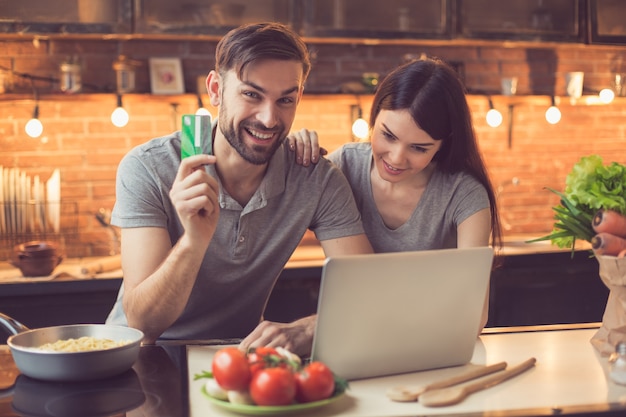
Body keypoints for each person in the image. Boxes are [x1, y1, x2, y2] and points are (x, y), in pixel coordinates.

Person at [105, 22, 373, 357]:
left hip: (236, 357)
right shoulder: (148, 167)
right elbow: (142, 325)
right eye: (251, 94)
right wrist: (193, 241)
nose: (269, 118)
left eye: (285, 100)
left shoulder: (314, 177)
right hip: (140, 357)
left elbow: (368, 295)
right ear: (216, 89)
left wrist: (308, 329)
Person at [289, 57, 503, 332]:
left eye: (418, 148)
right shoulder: (344, 166)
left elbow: (474, 315)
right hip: (354, 335)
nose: (396, 158)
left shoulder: (464, 195)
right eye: (388, 135)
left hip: (430, 342)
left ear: (443, 145)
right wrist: (292, 159)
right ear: (374, 117)